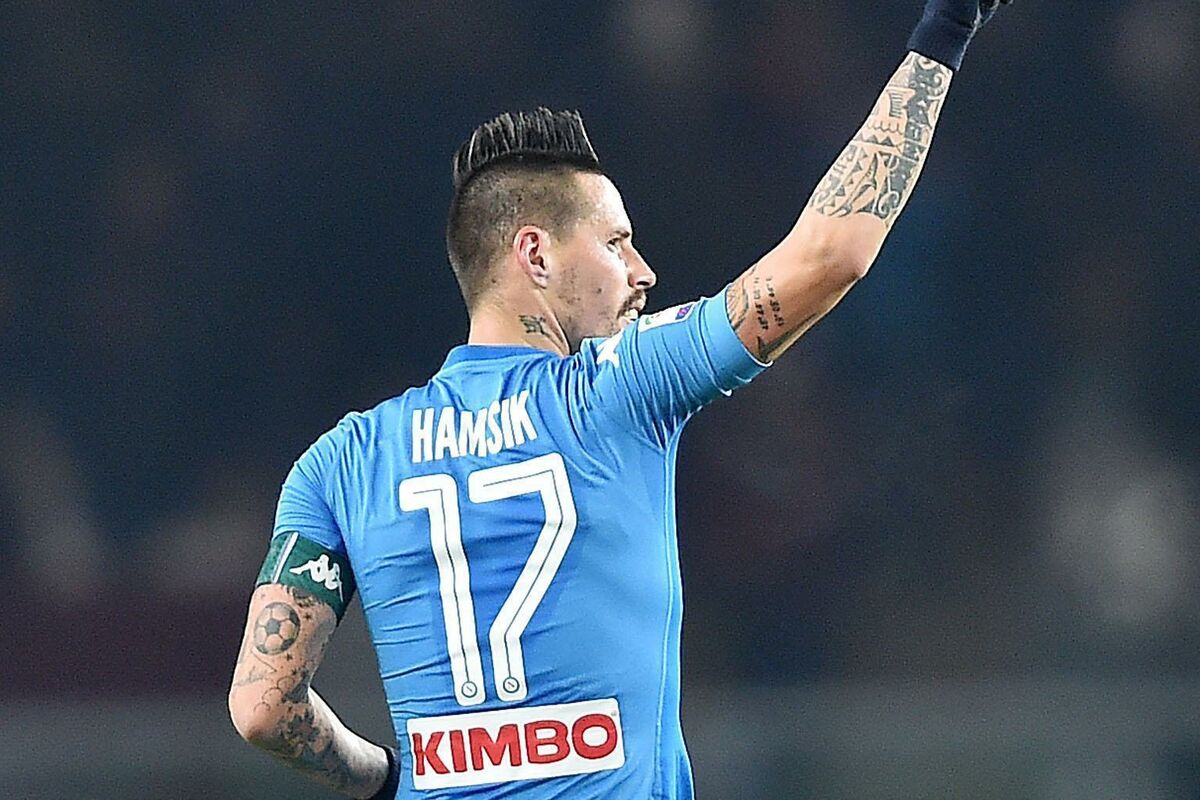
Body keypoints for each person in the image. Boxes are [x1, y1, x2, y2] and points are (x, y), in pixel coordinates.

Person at [227, 1, 1013, 797]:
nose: (643, 272)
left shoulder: (341, 463)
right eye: (615, 242)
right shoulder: (618, 389)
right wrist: (942, 35)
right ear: (534, 254)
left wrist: (384, 779)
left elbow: (261, 708)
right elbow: (830, 255)